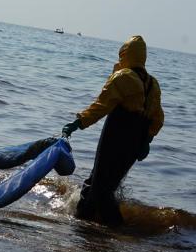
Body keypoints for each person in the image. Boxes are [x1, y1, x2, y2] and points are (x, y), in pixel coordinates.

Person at [61, 35, 164, 226]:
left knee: (101, 189)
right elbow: (158, 117)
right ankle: (83, 222)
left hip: (116, 138)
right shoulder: (153, 84)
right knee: (100, 183)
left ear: (125, 55)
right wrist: (147, 140)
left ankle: (117, 231)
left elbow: (101, 106)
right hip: (135, 144)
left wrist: (78, 122)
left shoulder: (123, 77)